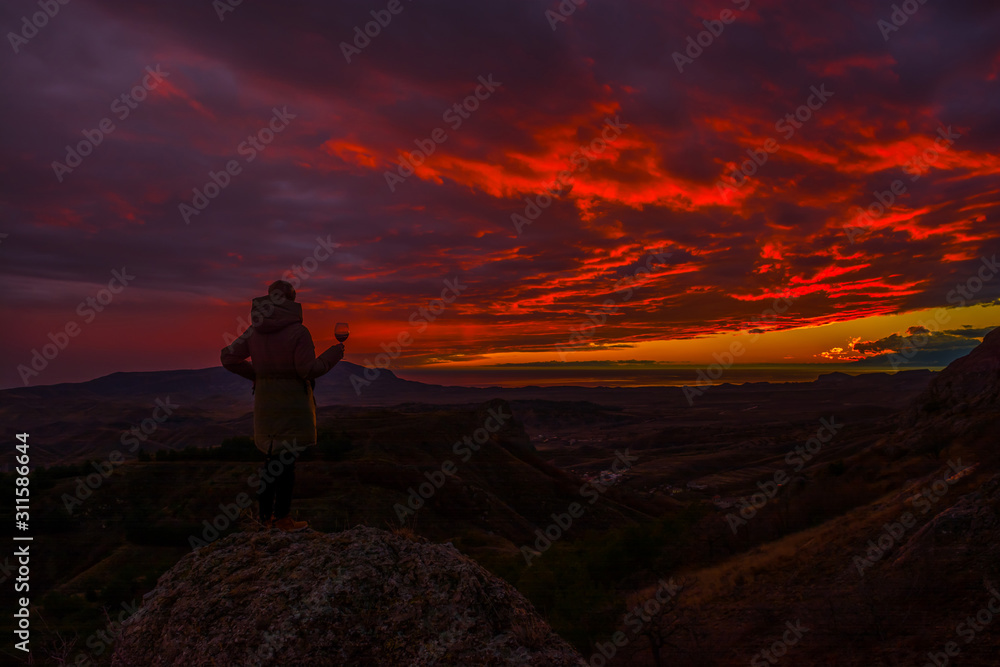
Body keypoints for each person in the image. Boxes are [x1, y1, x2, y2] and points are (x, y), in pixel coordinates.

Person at [220, 279, 344, 532]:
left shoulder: (254, 330)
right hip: (292, 404)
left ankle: (266, 518)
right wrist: (334, 354)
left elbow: (228, 357)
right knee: (287, 462)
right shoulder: (299, 332)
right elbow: (307, 369)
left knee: (272, 459)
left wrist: (258, 375)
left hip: (266, 403)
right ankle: (283, 519)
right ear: (292, 298)